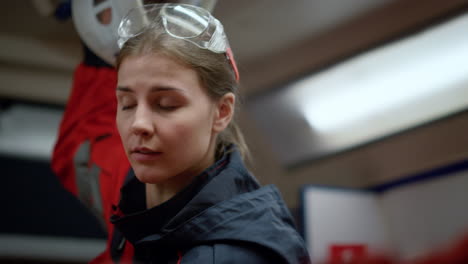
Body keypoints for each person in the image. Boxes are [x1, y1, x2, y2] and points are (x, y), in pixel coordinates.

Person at [107, 3, 311, 263]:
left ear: (222, 112)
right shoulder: (134, 212)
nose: (139, 123)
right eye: (127, 104)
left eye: (166, 105)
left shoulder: (231, 256)